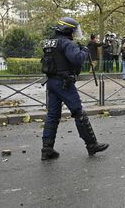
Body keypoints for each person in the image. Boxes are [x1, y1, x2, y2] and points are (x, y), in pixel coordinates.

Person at [40, 17, 109, 160]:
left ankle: (47, 149)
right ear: (68, 30)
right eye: (73, 30)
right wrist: (84, 51)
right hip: (64, 83)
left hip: (51, 82)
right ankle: (92, 145)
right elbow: (76, 59)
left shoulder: (50, 42)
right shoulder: (66, 43)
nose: (74, 33)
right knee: (78, 112)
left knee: (52, 116)